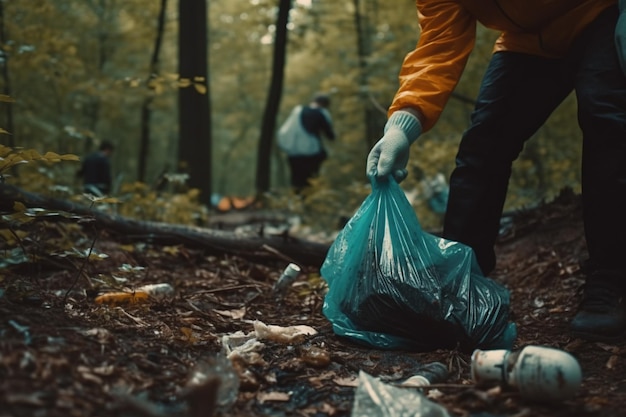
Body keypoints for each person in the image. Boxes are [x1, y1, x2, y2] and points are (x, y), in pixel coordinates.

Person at [366, 1, 626, 342]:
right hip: (528, 41)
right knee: (484, 142)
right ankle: (462, 284)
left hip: (601, 14)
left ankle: (612, 280)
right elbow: (438, 48)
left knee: (605, 119)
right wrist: (401, 126)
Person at [278, 94, 336, 191]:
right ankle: (309, 201)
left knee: (296, 179)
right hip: (311, 152)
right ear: (325, 105)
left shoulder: (297, 110)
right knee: (311, 179)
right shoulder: (322, 113)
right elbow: (330, 135)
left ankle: (296, 201)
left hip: (293, 152)